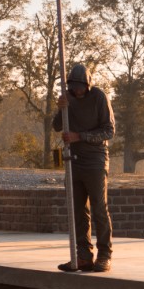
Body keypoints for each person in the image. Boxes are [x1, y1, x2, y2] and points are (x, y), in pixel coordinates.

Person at [52, 63, 115, 272]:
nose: (77, 90)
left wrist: (80, 136)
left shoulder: (99, 97)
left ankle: (105, 255)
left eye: (80, 86)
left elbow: (109, 131)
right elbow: (57, 126)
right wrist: (61, 109)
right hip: (74, 160)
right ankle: (84, 255)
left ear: (88, 84)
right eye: (74, 86)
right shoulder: (68, 97)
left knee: (99, 208)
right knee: (77, 210)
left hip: (95, 160)